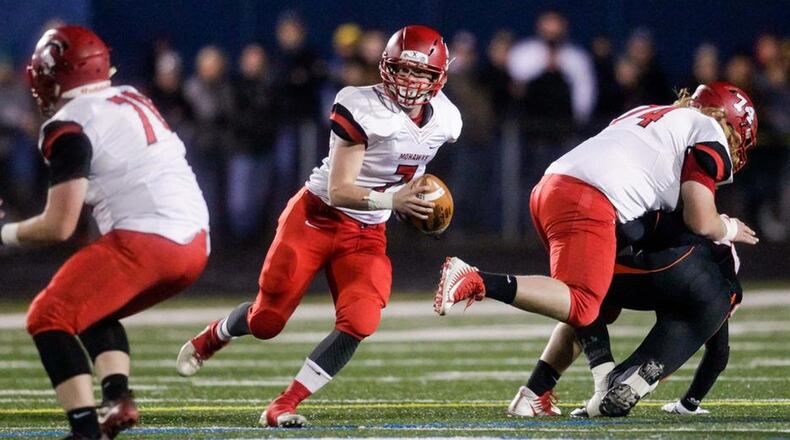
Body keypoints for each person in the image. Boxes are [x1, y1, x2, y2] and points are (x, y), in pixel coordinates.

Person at [176, 25, 461, 428]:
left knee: (361, 319)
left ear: (439, 78)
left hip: (366, 233)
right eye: (403, 70)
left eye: (422, 74)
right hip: (317, 217)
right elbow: (341, 188)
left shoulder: (448, 120)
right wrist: (395, 199)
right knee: (266, 322)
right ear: (385, 67)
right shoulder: (359, 104)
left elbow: (413, 163)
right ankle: (216, 335)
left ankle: (283, 404)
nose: (411, 82)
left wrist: (417, 202)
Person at [435, 82, 759, 368]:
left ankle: (536, 393)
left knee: (598, 303)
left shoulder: (652, 112)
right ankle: (477, 280)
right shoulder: (709, 131)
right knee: (582, 302)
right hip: (591, 197)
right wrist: (728, 228)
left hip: (554, 184)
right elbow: (701, 220)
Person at [0, 26, 209, 439]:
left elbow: (59, 225)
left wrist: (4, 234)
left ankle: (84, 430)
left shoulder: (69, 123)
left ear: (56, 73)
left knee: (48, 316)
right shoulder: (130, 96)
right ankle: (117, 399)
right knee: (92, 304)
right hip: (196, 241)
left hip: (148, 241)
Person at [506, 211, 740, 418]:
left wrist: (595, 258)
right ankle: (632, 385)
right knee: (648, 365)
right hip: (719, 297)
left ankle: (541, 391)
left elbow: (634, 229)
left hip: (676, 268)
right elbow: (719, 354)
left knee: (581, 292)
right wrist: (690, 403)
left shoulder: (672, 209)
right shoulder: (724, 249)